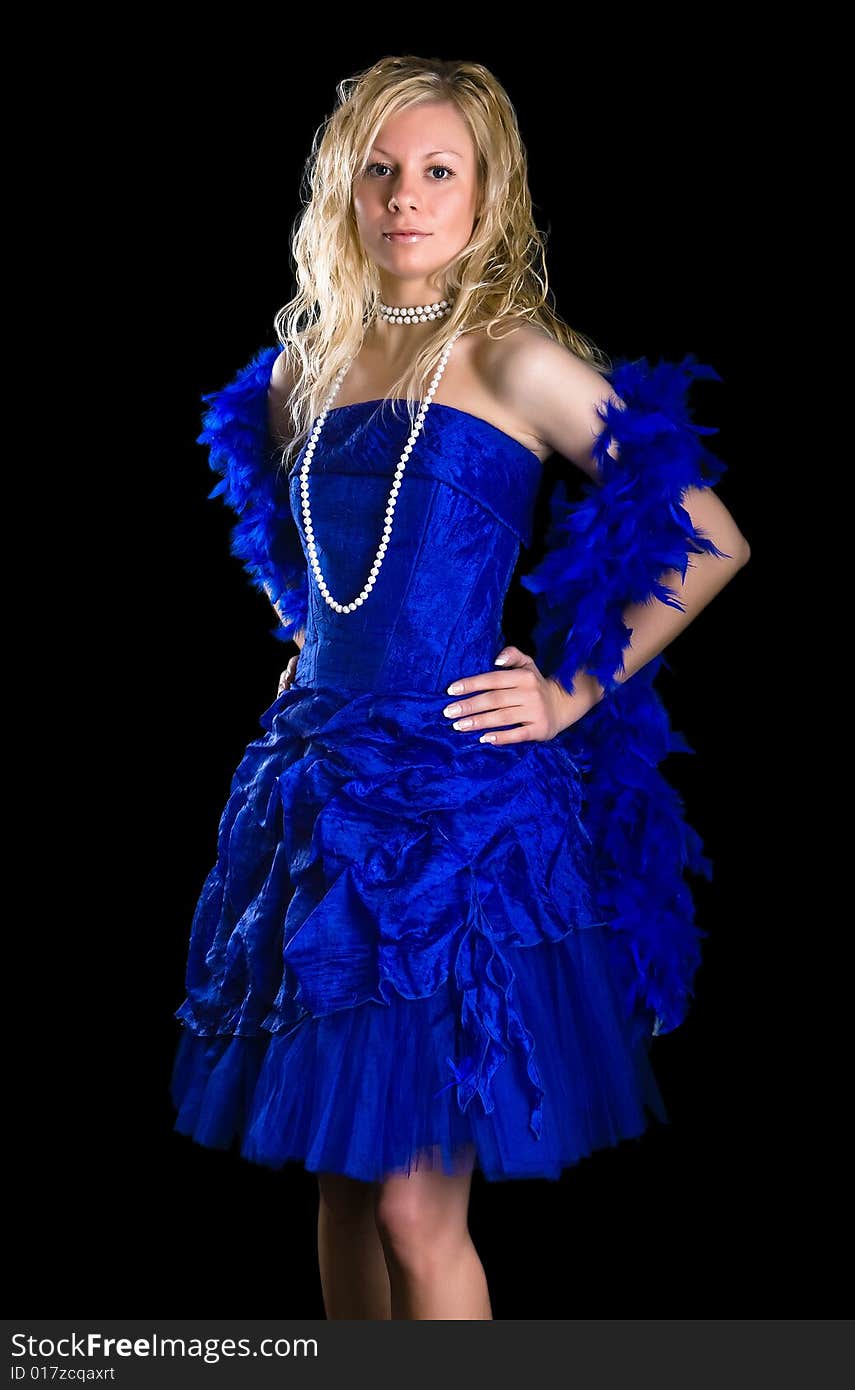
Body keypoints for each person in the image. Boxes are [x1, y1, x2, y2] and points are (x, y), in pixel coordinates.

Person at [169, 54, 750, 1320]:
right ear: (343, 191)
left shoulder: (510, 362)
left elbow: (704, 527)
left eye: (438, 171)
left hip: (453, 815)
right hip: (317, 810)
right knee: (338, 1181)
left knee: (413, 1200)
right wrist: (313, 644)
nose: (405, 197)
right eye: (379, 170)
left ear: (487, 197)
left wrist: (571, 690)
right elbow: (319, 566)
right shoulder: (299, 376)